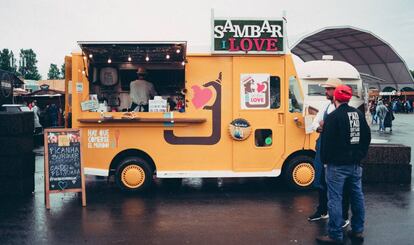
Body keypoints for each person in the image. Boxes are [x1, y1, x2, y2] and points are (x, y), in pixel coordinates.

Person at [316, 85, 371, 244]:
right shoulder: (358, 114)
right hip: (355, 164)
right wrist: (360, 155)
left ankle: (334, 234)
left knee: (335, 199)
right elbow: (366, 136)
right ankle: (358, 230)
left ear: (335, 97)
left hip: (337, 166)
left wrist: (325, 161)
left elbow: (327, 142)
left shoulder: (333, 117)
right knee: (357, 197)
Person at [308, 78, 350, 228]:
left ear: (337, 90)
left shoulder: (344, 109)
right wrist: (319, 128)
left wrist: (325, 127)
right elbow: (314, 124)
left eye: (328, 89)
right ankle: (322, 210)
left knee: (339, 183)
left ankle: (344, 216)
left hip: (336, 149)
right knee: (320, 180)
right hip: (322, 146)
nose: (326, 92)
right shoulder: (325, 106)